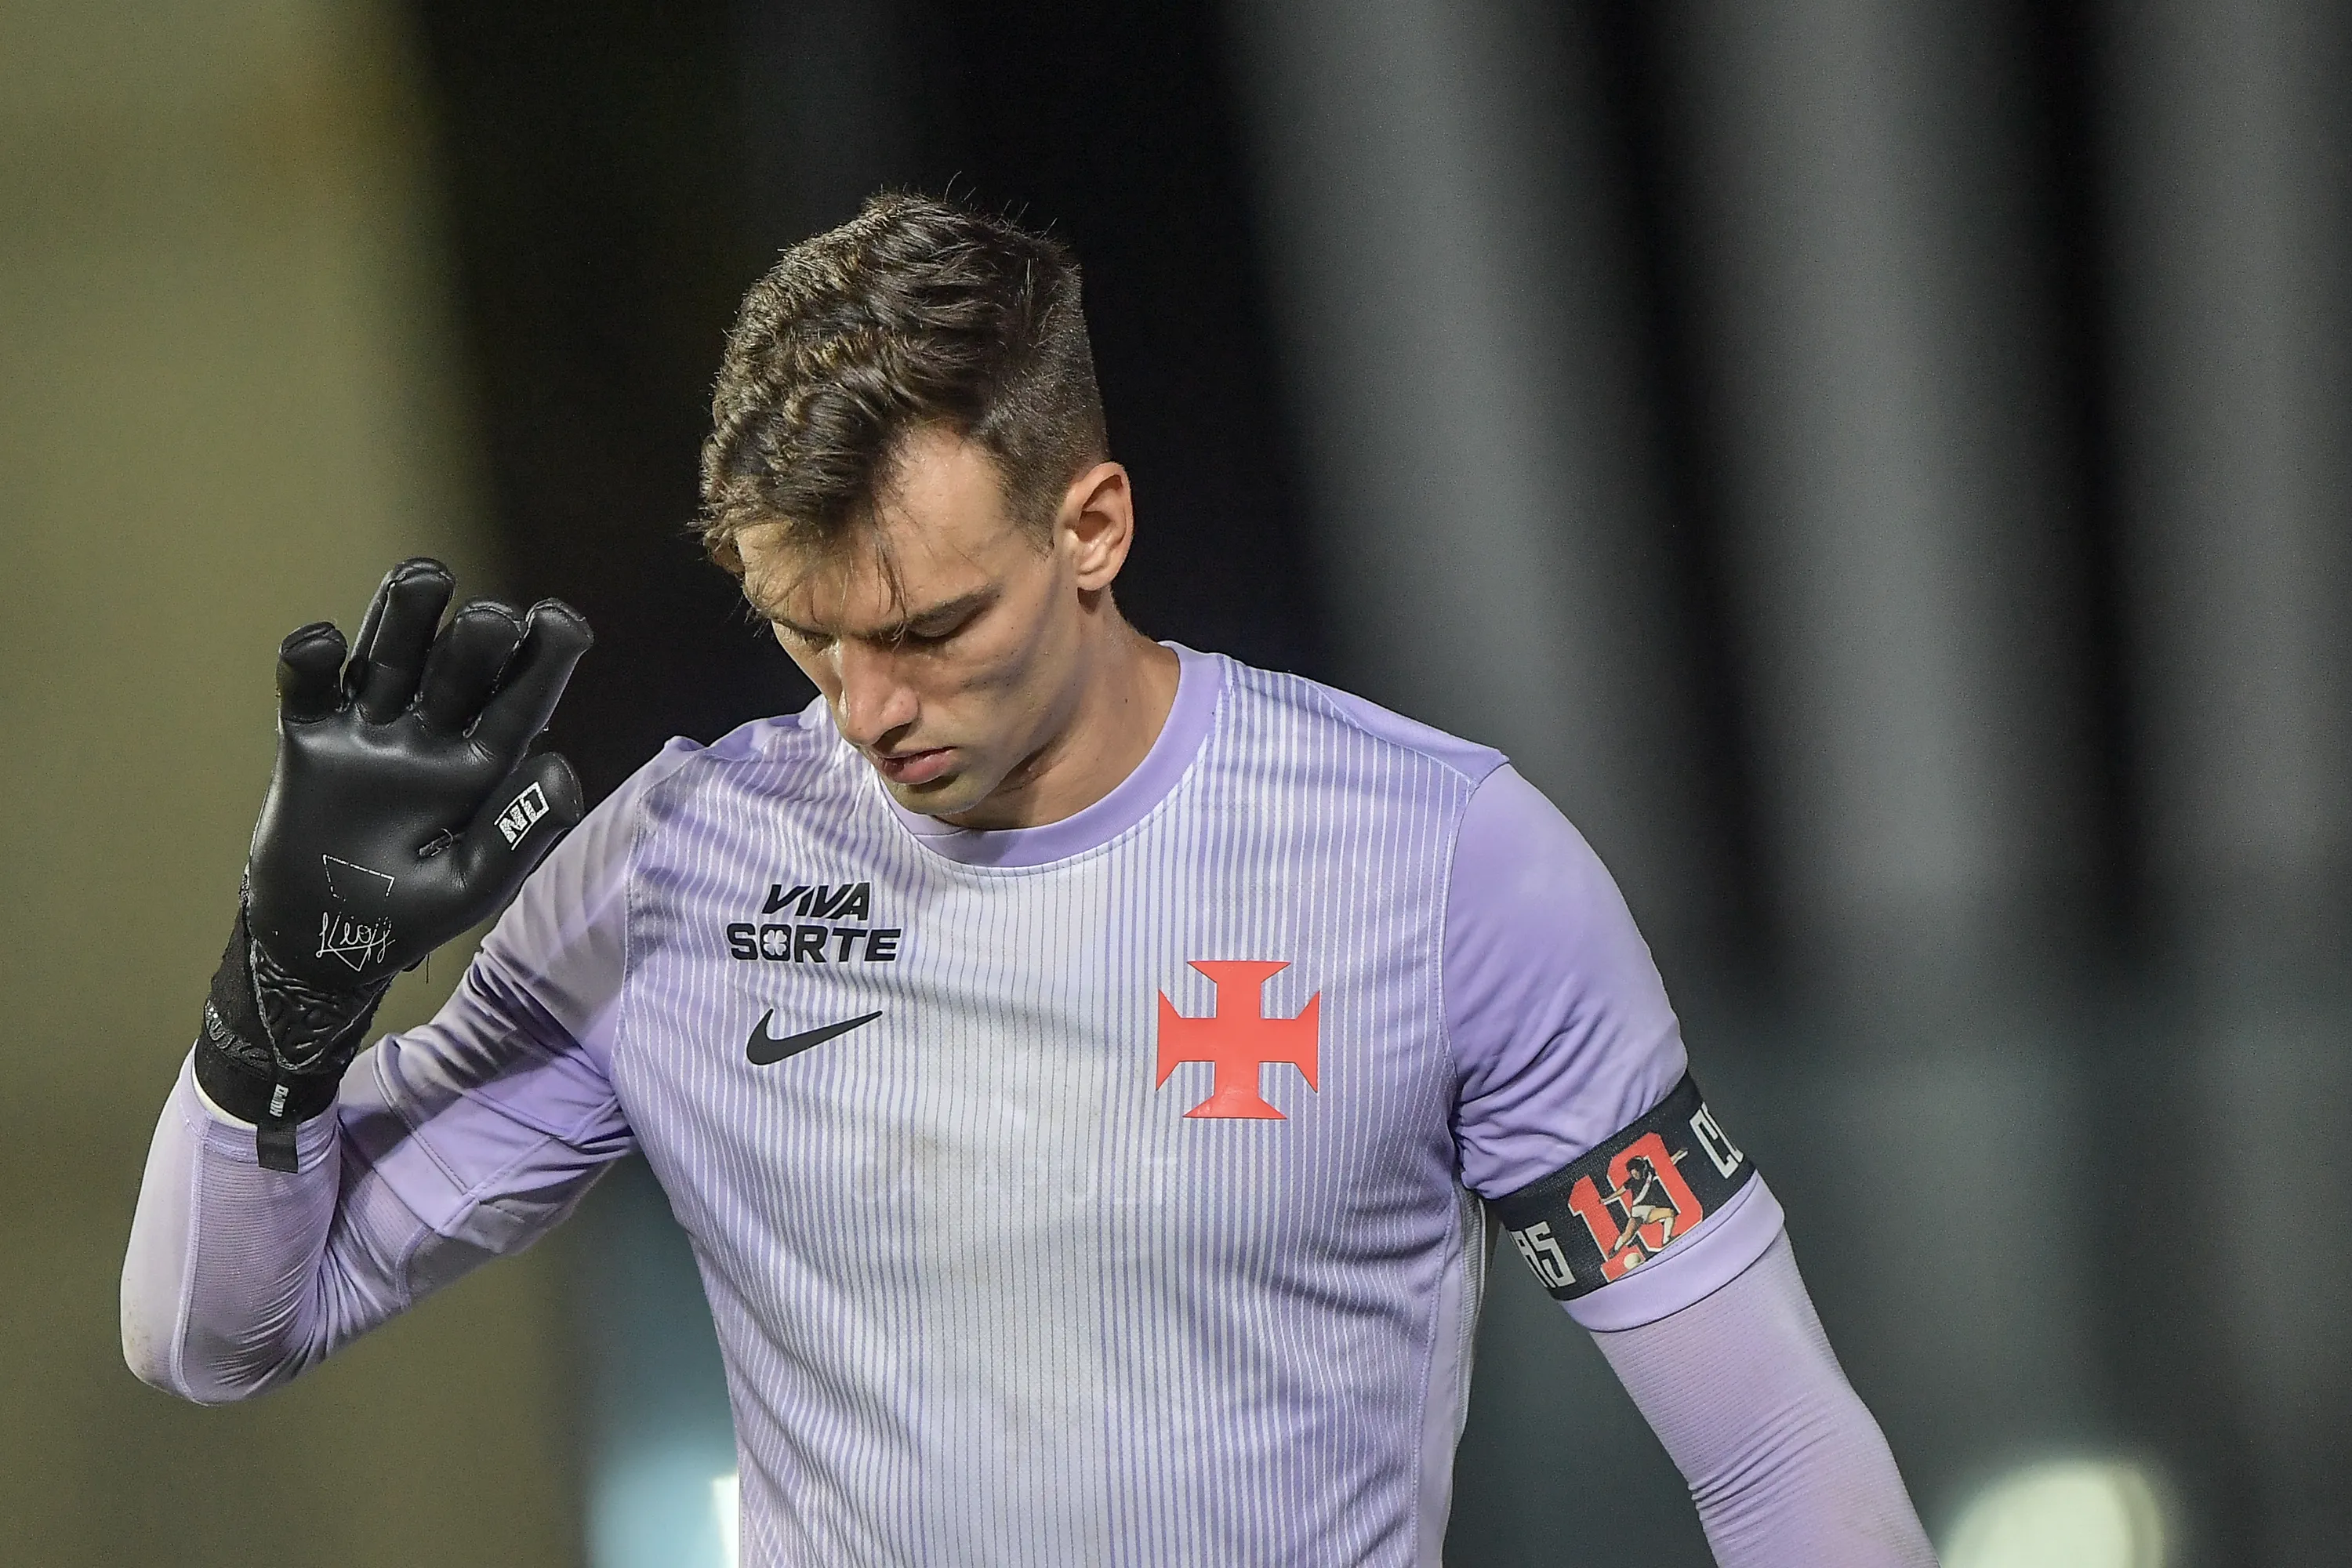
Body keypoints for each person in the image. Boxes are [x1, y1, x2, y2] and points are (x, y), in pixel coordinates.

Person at [123, 192, 1936, 1566]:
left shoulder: (1445, 871)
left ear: (1095, 524)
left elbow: (1774, 1451)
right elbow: (214, 1338)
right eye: (808, 640)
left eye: (928, 629)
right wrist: (280, 990)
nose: (869, 711)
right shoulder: (674, 873)